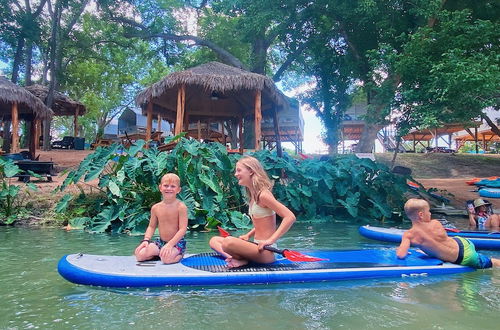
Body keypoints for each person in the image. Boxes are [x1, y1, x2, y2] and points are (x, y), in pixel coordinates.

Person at [209, 155, 296, 268]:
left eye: (239, 170)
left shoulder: (263, 195)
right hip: (255, 246)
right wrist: (248, 235)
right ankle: (238, 258)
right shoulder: (253, 196)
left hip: (266, 251)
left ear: (250, 171)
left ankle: (242, 260)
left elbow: (290, 217)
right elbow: (262, 223)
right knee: (214, 240)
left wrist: (270, 241)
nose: (236, 174)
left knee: (228, 242)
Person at [396, 198, 499, 269]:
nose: (430, 214)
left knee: (490, 262)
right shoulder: (435, 224)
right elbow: (438, 242)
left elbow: (401, 255)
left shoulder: (409, 235)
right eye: (429, 211)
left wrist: (403, 249)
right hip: (461, 242)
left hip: (464, 257)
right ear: (421, 215)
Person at [134, 173, 188, 264]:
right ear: (160, 188)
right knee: (139, 255)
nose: (169, 189)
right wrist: (146, 240)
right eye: (166, 186)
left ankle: (179, 255)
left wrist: (170, 244)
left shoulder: (181, 207)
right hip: (161, 242)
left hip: (176, 243)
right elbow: (151, 227)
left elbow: (183, 229)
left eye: (173, 186)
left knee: (167, 260)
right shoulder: (156, 208)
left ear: (178, 190)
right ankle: (160, 253)